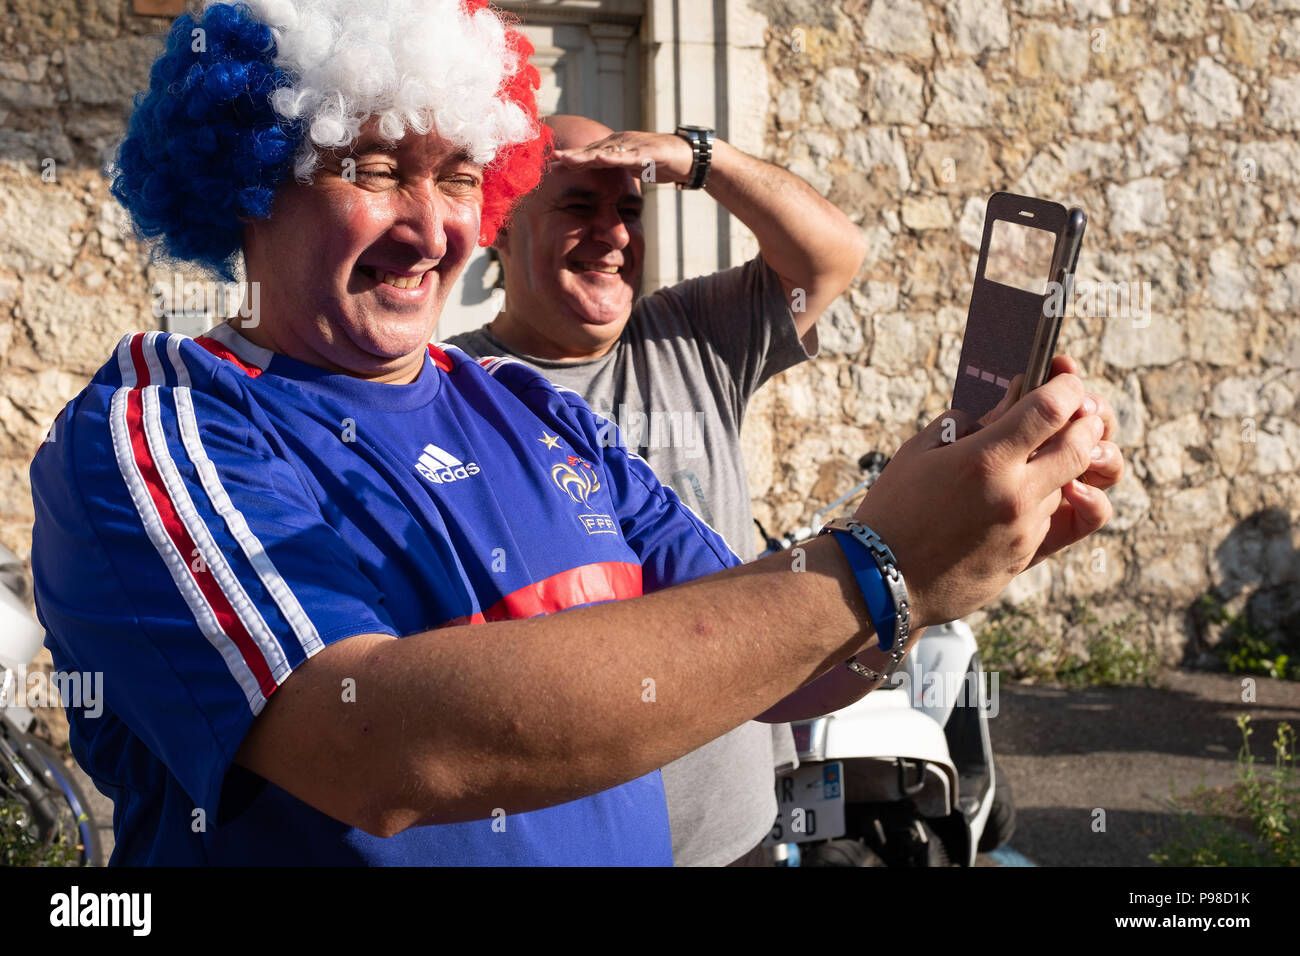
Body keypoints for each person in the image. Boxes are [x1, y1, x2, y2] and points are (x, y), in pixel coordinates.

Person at [29, 0, 1124, 866]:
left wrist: (951, 541)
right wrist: (874, 567)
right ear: (247, 183)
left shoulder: (531, 407)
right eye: (371, 167)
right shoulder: (156, 424)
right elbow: (381, 748)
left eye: (461, 175)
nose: (431, 225)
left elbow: (778, 665)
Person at [448, 113, 867, 866]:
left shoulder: (691, 334)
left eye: (630, 210)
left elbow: (831, 256)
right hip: (567, 835)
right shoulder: (446, 389)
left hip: (730, 830)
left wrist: (700, 159)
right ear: (500, 228)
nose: (613, 235)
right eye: (579, 206)